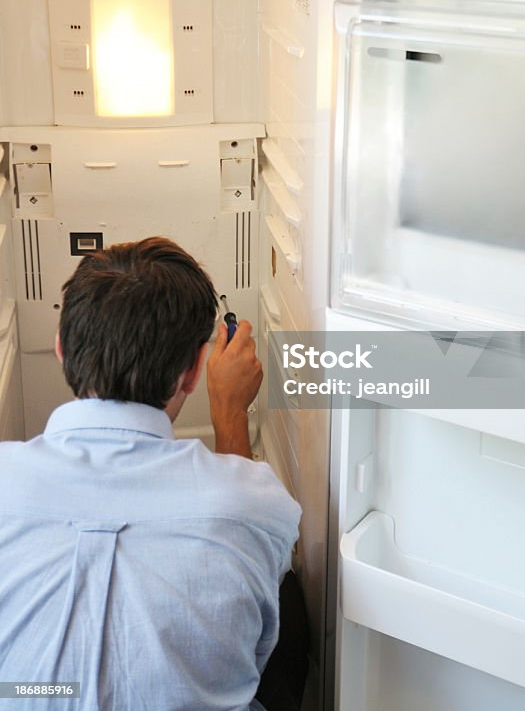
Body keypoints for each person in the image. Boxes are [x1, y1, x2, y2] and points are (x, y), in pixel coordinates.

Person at [0, 237, 302, 710]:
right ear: (195, 370)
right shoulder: (254, 502)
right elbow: (250, 548)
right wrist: (229, 414)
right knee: (289, 597)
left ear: (60, 346)